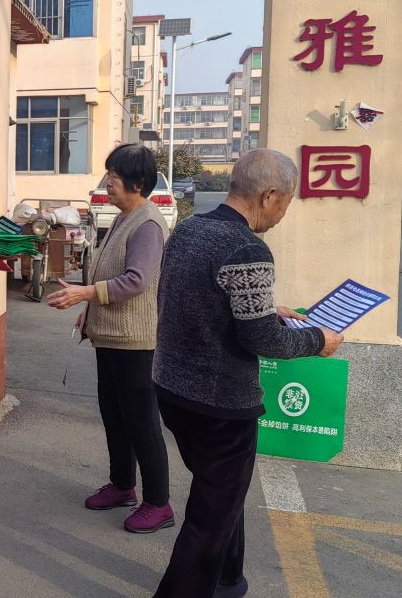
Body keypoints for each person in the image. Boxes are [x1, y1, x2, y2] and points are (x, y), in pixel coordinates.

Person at [152, 149, 344, 598]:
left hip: (172, 389)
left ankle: (228, 579)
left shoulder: (188, 229)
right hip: (221, 405)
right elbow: (263, 341)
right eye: (286, 204)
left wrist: (267, 310)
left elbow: (194, 299)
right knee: (211, 517)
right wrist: (318, 340)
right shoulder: (248, 248)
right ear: (269, 195)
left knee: (222, 496)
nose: (282, 214)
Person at [47, 144, 172, 533]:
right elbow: (110, 270)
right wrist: (90, 310)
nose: (109, 183)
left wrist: (84, 294)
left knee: (142, 424)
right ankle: (122, 485)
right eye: (109, 175)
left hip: (136, 342)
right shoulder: (124, 217)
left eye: (115, 176)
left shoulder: (147, 224)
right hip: (111, 337)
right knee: (115, 418)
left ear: (137, 182)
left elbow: (136, 281)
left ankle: (159, 503)